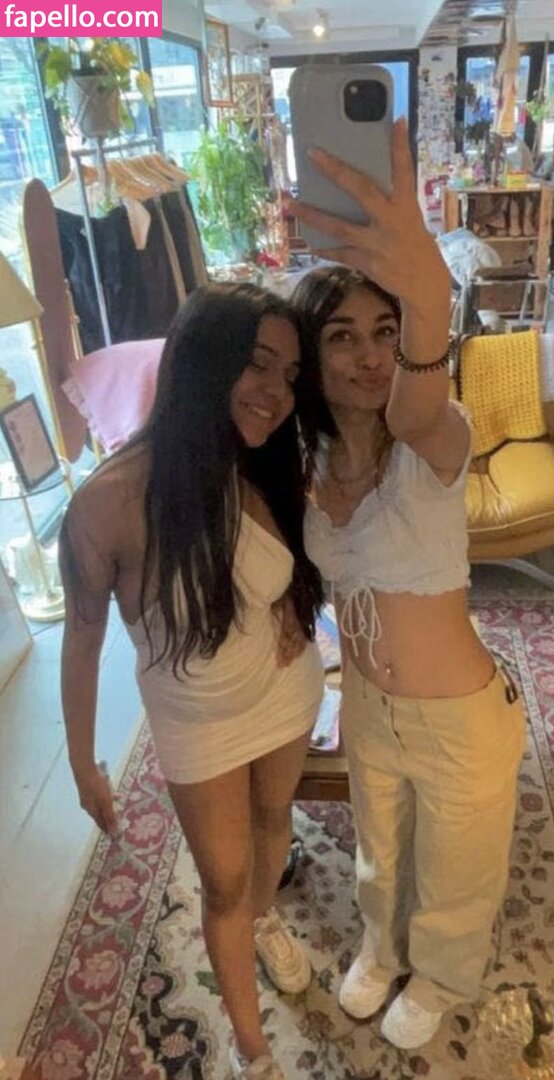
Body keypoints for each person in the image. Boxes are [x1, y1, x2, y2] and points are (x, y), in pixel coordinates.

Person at [290, 119, 526, 1050]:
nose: (369, 355)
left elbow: (419, 392)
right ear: (311, 355)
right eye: (342, 336)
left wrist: (427, 296)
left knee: (458, 872)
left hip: (458, 713)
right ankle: (382, 949)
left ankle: (440, 971)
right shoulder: (307, 460)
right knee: (380, 853)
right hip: (366, 705)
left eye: (385, 332)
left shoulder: (435, 435)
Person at [59, 283, 325, 1080]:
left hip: (285, 692)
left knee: (274, 822)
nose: (276, 392)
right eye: (257, 364)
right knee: (223, 881)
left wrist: (291, 612)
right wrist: (82, 761)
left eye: (290, 375)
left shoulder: (263, 462)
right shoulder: (106, 503)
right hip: (198, 723)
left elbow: (287, 570)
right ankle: (253, 1050)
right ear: (203, 363)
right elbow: (81, 638)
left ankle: (267, 920)